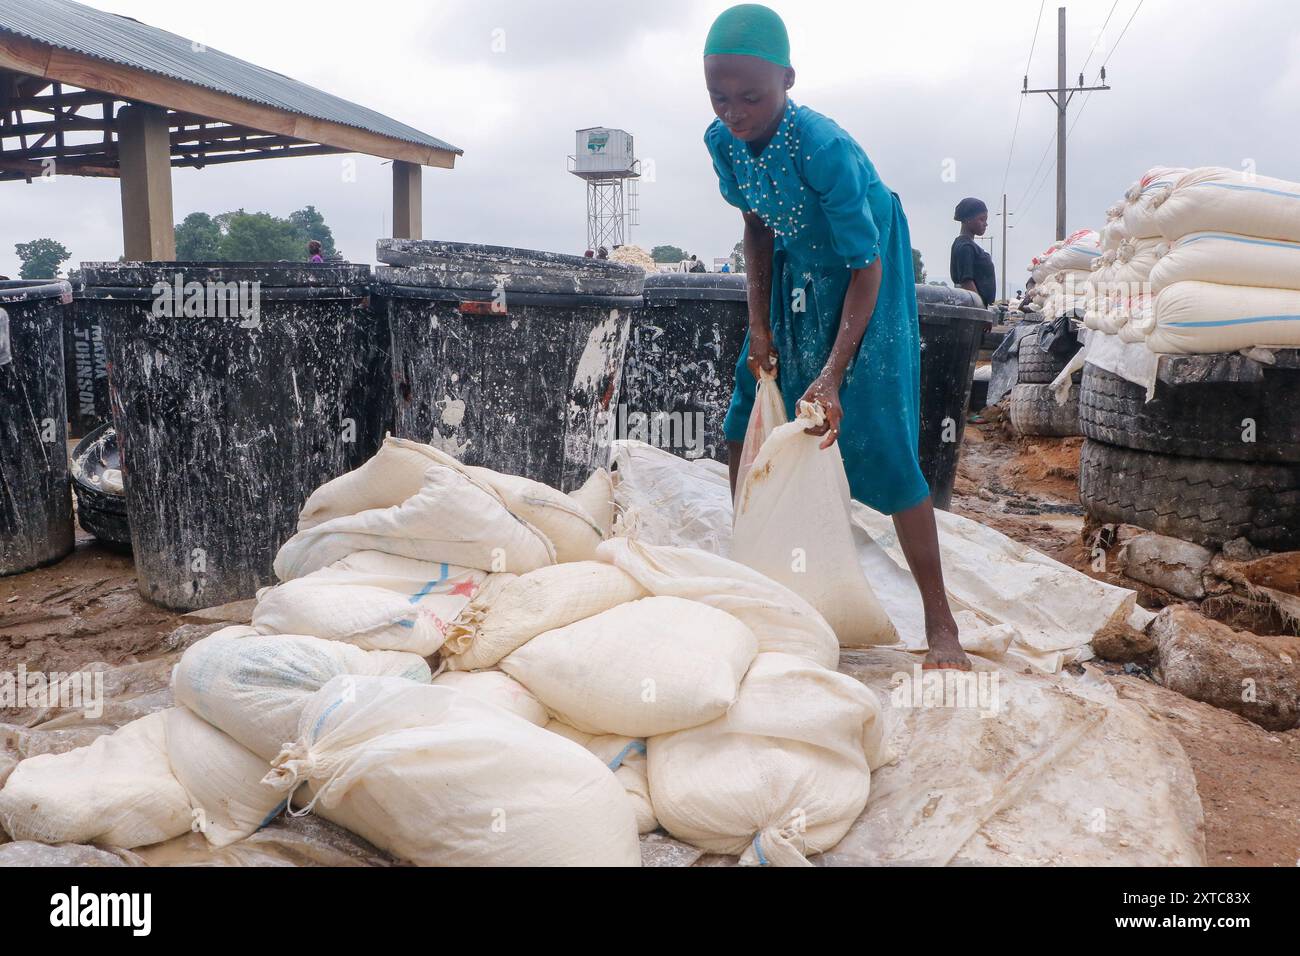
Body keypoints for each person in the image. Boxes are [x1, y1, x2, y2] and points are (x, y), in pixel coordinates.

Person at [704, 3, 968, 669]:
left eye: (752, 97)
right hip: (794, 270)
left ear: (788, 79)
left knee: (875, 433)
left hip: (863, 276)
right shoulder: (721, 142)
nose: (735, 111)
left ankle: (941, 625)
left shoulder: (822, 147)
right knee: (748, 410)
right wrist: (758, 325)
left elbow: (866, 263)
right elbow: (758, 226)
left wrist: (833, 371)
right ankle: (753, 564)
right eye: (720, 96)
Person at [950, 198, 996, 306]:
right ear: (967, 219)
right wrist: (980, 311)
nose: (985, 224)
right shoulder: (965, 247)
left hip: (975, 307)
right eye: (981, 219)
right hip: (973, 309)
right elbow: (966, 283)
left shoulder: (966, 244)